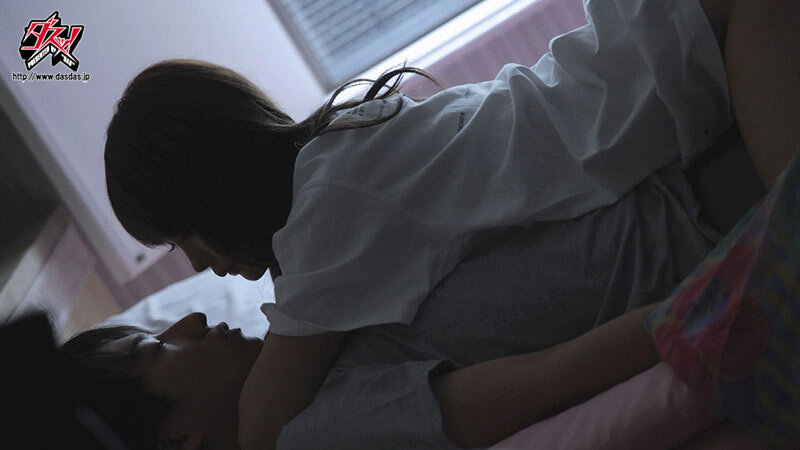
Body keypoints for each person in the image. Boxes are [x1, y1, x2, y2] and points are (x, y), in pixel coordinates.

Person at [102, 0, 799, 448]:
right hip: (624, 109)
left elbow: (262, 422)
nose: (199, 268)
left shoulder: (326, 212)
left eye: (181, 238)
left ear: (211, 191)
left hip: (627, 100)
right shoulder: (333, 173)